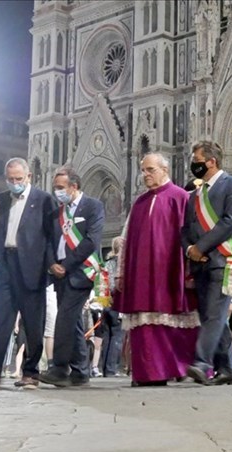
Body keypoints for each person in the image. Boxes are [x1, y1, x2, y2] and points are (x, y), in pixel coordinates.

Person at [0, 157, 57, 388]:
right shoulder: (4, 198)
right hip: (7, 263)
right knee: (1, 320)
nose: (14, 183)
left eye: (18, 179)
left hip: (32, 267)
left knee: (33, 323)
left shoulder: (44, 200)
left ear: (28, 177)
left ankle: (30, 373)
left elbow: (51, 237)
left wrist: (49, 267)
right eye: (10, 179)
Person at [115, 152, 199, 386]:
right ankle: (148, 373)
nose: (145, 175)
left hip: (170, 271)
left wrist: (190, 271)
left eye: (150, 170)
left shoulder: (181, 197)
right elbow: (127, 240)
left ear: (165, 170)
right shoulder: (140, 202)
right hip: (141, 275)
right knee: (145, 323)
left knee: (173, 321)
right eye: (143, 170)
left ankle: (176, 368)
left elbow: (192, 237)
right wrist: (121, 273)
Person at [183, 141, 232, 386]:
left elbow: (230, 221)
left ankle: (201, 362)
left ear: (211, 161)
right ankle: (229, 368)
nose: (193, 163)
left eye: (197, 158)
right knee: (210, 314)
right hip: (199, 263)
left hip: (223, 260)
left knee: (214, 314)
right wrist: (190, 249)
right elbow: (186, 228)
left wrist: (201, 246)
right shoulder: (196, 193)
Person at [39, 166, 105, 388]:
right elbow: (48, 242)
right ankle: (80, 371)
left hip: (80, 272)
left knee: (65, 319)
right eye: (55, 187)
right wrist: (52, 265)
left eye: (60, 187)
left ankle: (59, 368)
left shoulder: (93, 207)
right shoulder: (56, 213)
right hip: (59, 274)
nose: (56, 192)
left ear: (74, 187)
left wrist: (66, 265)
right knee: (74, 323)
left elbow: (91, 241)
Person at [100, 237, 125, 376]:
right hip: (117, 302)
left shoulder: (106, 263)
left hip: (105, 302)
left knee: (107, 337)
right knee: (117, 336)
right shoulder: (122, 264)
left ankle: (105, 368)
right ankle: (112, 369)